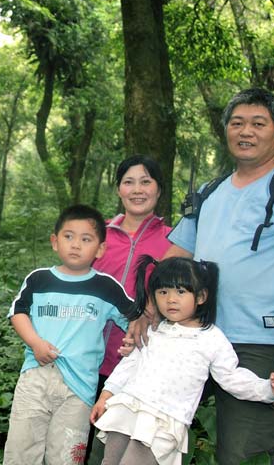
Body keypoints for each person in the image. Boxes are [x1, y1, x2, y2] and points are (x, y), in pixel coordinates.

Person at [135, 88, 274, 464]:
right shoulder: (208, 193)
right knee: (136, 431)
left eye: (259, 123)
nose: (246, 131)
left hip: (260, 344)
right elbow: (176, 257)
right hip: (191, 334)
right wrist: (148, 311)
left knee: (242, 454)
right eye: (237, 123)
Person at [93, 256, 274, 465]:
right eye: (163, 292)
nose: (171, 299)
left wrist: (267, 389)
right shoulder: (154, 330)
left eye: (180, 292)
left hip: (164, 420)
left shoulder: (212, 339)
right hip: (128, 408)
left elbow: (231, 377)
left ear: (201, 296)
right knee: (109, 461)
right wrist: (106, 395)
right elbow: (129, 365)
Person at [2, 204, 137, 465]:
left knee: (67, 457)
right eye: (68, 236)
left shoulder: (106, 287)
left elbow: (135, 319)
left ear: (100, 249)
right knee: (21, 451)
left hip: (80, 388)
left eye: (86, 239)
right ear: (55, 242)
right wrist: (35, 343)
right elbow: (17, 313)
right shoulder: (39, 279)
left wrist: (132, 340)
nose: (75, 245)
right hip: (36, 377)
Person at [94, 155, 172, 384]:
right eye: (129, 182)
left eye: (146, 182)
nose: (137, 190)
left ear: (159, 190)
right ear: (119, 189)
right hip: (86, 362)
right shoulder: (97, 235)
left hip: (142, 364)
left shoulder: (175, 242)